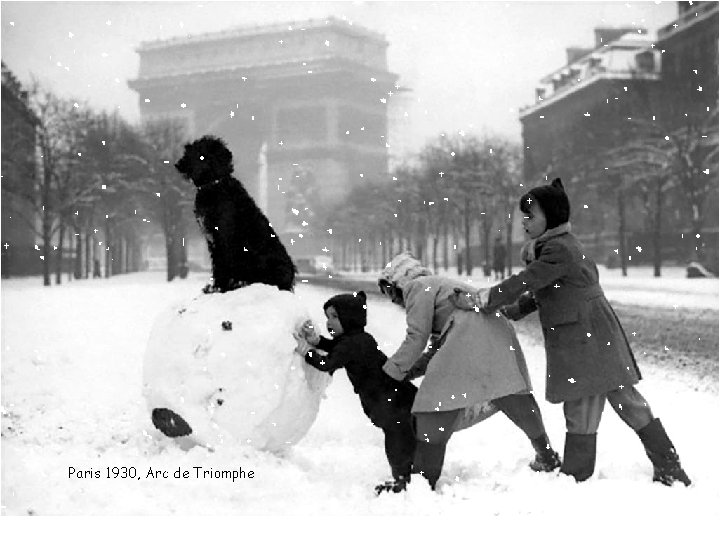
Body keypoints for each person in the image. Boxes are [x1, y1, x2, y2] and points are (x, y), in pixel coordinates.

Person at [451, 178, 691, 486]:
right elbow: (543, 290)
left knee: (590, 400)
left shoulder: (559, 250)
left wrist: (483, 299)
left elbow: (528, 281)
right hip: (590, 332)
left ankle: (580, 475)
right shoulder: (556, 247)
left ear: (550, 217)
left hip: (585, 335)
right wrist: (513, 311)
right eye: (524, 215)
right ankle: (666, 466)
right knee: (620, 399)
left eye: (530, 216)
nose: (524, 222)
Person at [377, 252, 560, 491]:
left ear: (400, 280)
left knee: (435, 408)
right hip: (495, 335)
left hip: (465, 337)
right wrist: (408, 372)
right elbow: (436, 350)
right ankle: (547, 456)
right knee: (513, 397)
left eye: (390, 291)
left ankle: (422, 481)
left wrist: (389, 375)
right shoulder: (444, 288)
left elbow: (416, 337)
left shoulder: (417, 287)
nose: (392, 299)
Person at [297, 291, 418, 495]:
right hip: (394, 394)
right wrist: (317, 341)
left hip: (387, 400)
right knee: (404, 436)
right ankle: (409, 477)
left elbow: (328, 363)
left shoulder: (351, 343)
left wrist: (305, 350)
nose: (330, 322)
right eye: (328, 317)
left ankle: (402, 481)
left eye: (335, 317)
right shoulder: (360, 338)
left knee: (397, 438)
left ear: (349, 318)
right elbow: (338, 347)